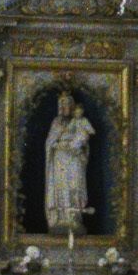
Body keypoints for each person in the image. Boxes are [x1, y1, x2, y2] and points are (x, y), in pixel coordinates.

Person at [44, 91, 95, 235]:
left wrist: (78, 146)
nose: (65, 107)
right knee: (61, 187)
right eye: (63, 104)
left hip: (74, 159)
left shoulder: (79, 121)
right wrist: (58, 145)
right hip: (60, 159)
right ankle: (60, 219)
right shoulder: (57, 122)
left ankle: (74, 219)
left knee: (74, 185)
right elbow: (50, 142)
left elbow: (85, 139)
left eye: (68, 104)